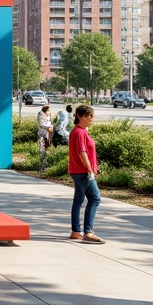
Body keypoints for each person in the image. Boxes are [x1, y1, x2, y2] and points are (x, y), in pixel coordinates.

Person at [68, 104, 104, 243]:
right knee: (95, 199)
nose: (91, 119)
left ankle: (76, 231)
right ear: (80, 116)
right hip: (82, 172)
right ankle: (88, 232)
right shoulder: (79, 132)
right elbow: (81, 152)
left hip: (78, 171)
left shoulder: (78, 131)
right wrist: (90, 170)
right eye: (89, 117)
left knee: (78, 200)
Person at [36, 104, 53, 172]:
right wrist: (49, 127)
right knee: (42, 151)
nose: (49, 112)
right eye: (49, 111)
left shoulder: (46, 117)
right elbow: (42, 125)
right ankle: (41, 167)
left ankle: (44, 166)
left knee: (46, 151)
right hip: (43, 136)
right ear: (46, 110)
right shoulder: (41, 116)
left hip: (46, 135)